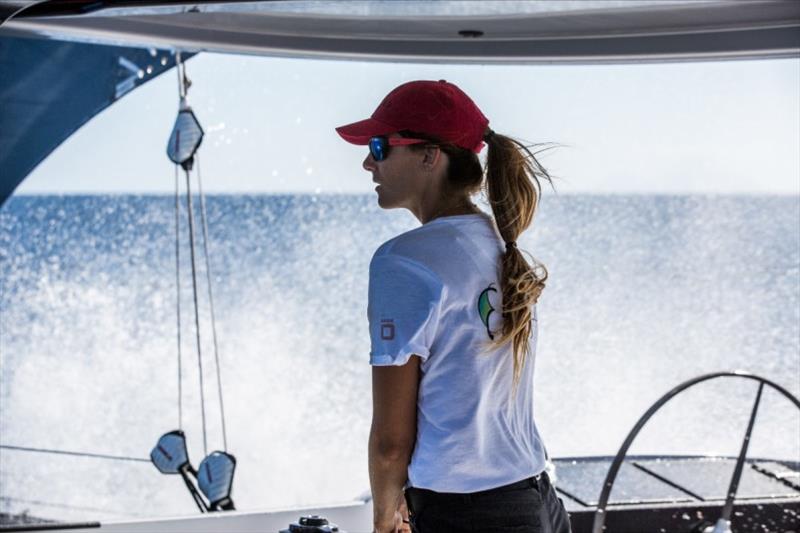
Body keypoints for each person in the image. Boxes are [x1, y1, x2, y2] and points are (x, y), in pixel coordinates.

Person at [335, 80, 571, 533]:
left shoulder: (403, 261)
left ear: (430, 156)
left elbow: (390, 442)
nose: (368, 161)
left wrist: (385, 520)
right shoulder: (501, 243)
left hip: (468, 514)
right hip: (538, 499)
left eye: (381, 146)